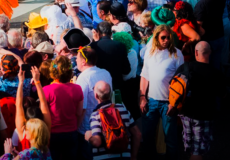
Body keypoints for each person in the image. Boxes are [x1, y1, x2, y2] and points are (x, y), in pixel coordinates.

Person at [140, 25, 184, 159]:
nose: (166, 40)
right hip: (151, 101)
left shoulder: (177, 54)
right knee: (147, 136)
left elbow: (182, 81)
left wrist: (174, 103)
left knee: (170, 139)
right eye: (163, 37)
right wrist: (142, 96)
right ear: (156, 38)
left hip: (168, 103)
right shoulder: (149, 53)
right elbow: (144, 76)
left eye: (168, 37)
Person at [174, 42, 221, 160]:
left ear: (195, 52)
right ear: (210, 53)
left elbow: (174, 86)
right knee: (197, 151)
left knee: (190, 148)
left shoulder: (185, 68)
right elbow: (223, 94)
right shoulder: (216, 73)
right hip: (203, 116)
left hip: (185, 114)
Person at [86, 81, 141, 160]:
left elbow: (97, 142)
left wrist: (88, 137)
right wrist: (133, 157)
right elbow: (138, 134)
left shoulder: (95, 115)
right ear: (111, 94)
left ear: (96, 96)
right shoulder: (123, 109)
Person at [43, 56, 83, 160]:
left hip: (53, 134)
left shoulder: (46, 90)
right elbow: (79, 113)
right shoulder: (77, 88)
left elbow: (44, 115)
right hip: (72, 132)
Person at [75, 46, 112, 160]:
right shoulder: (106, 72)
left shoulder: (84, 77)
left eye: (77, 58)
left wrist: (76, 128)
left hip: (88, 128)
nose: (76, 61)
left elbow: (83, 107)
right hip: (105, 124)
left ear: (83, 62)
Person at [194, 0, 227, 69]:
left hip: (208, 40)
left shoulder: (201, 4)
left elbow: (198, 24)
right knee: (216, 64)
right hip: (219, 36)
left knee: (207, 66)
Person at [90, 22, 131, 90]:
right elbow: (126, 70)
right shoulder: (120, 46)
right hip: (117, 85)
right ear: (111, 33)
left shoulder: (93, 46)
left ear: (98, 33)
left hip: (99, 86)